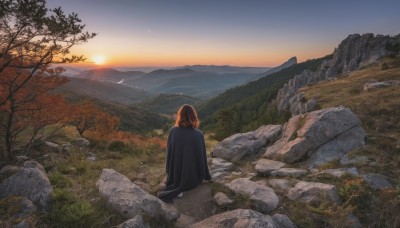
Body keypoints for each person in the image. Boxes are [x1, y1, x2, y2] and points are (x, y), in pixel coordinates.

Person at [158, 104, 211, 202]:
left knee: (175, 184)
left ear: (180, 116)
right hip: (193, 179)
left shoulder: (172, 131)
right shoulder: (198, 135)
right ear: (194, 117)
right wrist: (207, 176)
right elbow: (202, 158)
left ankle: (177, 188)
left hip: (175, 176)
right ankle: (182, 187)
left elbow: (169, 154)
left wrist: (169, 173)